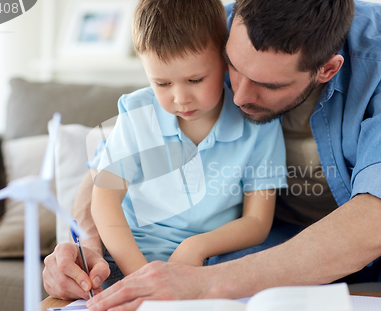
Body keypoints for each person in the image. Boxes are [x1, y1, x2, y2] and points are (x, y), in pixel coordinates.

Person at [43, 0, 381, 311]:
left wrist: (206, 285)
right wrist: (85, 245)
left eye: (267, 84)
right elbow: (109, 162)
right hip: (278, 236)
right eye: (233, 68)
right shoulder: (210, 29)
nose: (238, 96)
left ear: (327, 69)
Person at [80, 0, 287, 283]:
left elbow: (258, 222)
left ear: (227, 61)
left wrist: (196, 247)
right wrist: (143, 277)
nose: (180, 98)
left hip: (212, 260)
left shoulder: (259, 124)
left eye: (195, 79)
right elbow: (104, 199)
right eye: (162, 84)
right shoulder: (138, 112)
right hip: (129, 259)